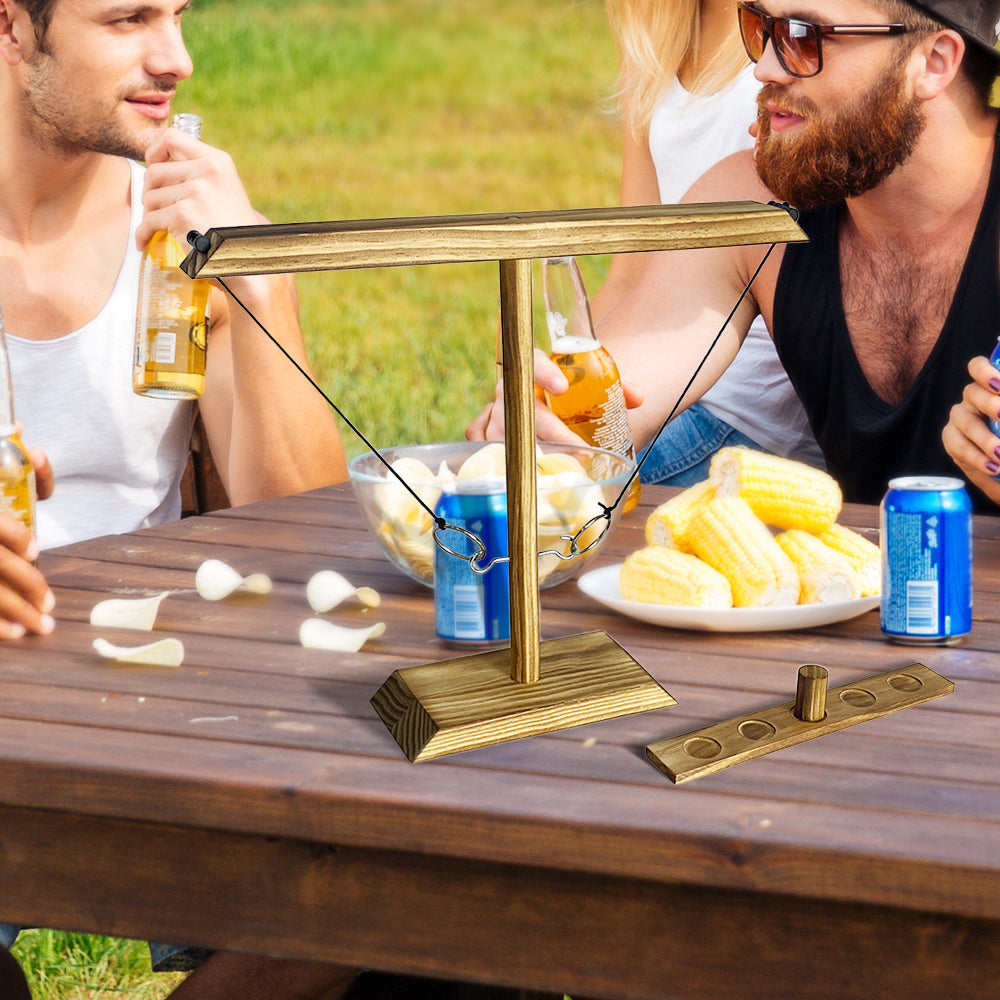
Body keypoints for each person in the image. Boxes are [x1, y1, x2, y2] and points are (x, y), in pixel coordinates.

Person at [0, 0, 357, 996]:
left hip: (150, 694)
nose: (179, 58)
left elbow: (309, 540)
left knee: (361, 906)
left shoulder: (177, 228)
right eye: (128, 20)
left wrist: (259, 282)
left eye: (180, 15)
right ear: (12, 29)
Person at [471, 0, 1000, 514]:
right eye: (760, 28)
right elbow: (606, 417)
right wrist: (544, 430)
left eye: (803, 37)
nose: (764, 68)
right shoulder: (752, 204)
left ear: (933, 62)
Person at [595, 0, 824, 485]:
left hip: (747, 414)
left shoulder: (795, 28)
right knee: (505, 476)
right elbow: (631, 269)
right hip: (663, 376)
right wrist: (565, 392)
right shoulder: (653, 35)